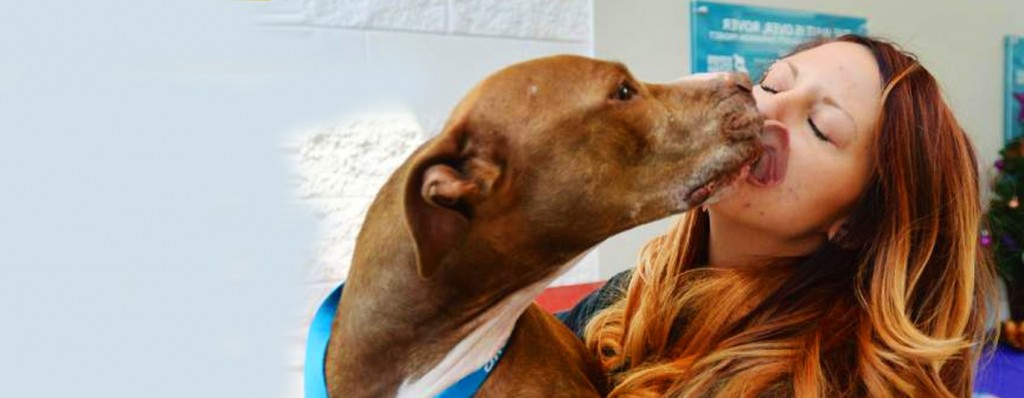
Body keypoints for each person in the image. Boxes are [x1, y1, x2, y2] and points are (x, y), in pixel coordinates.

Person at [557, 35, 999, 397]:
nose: (763, 110)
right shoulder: (636, 290)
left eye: (820, 128)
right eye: (771, 84)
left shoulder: (814, 385)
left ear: (854, 227)